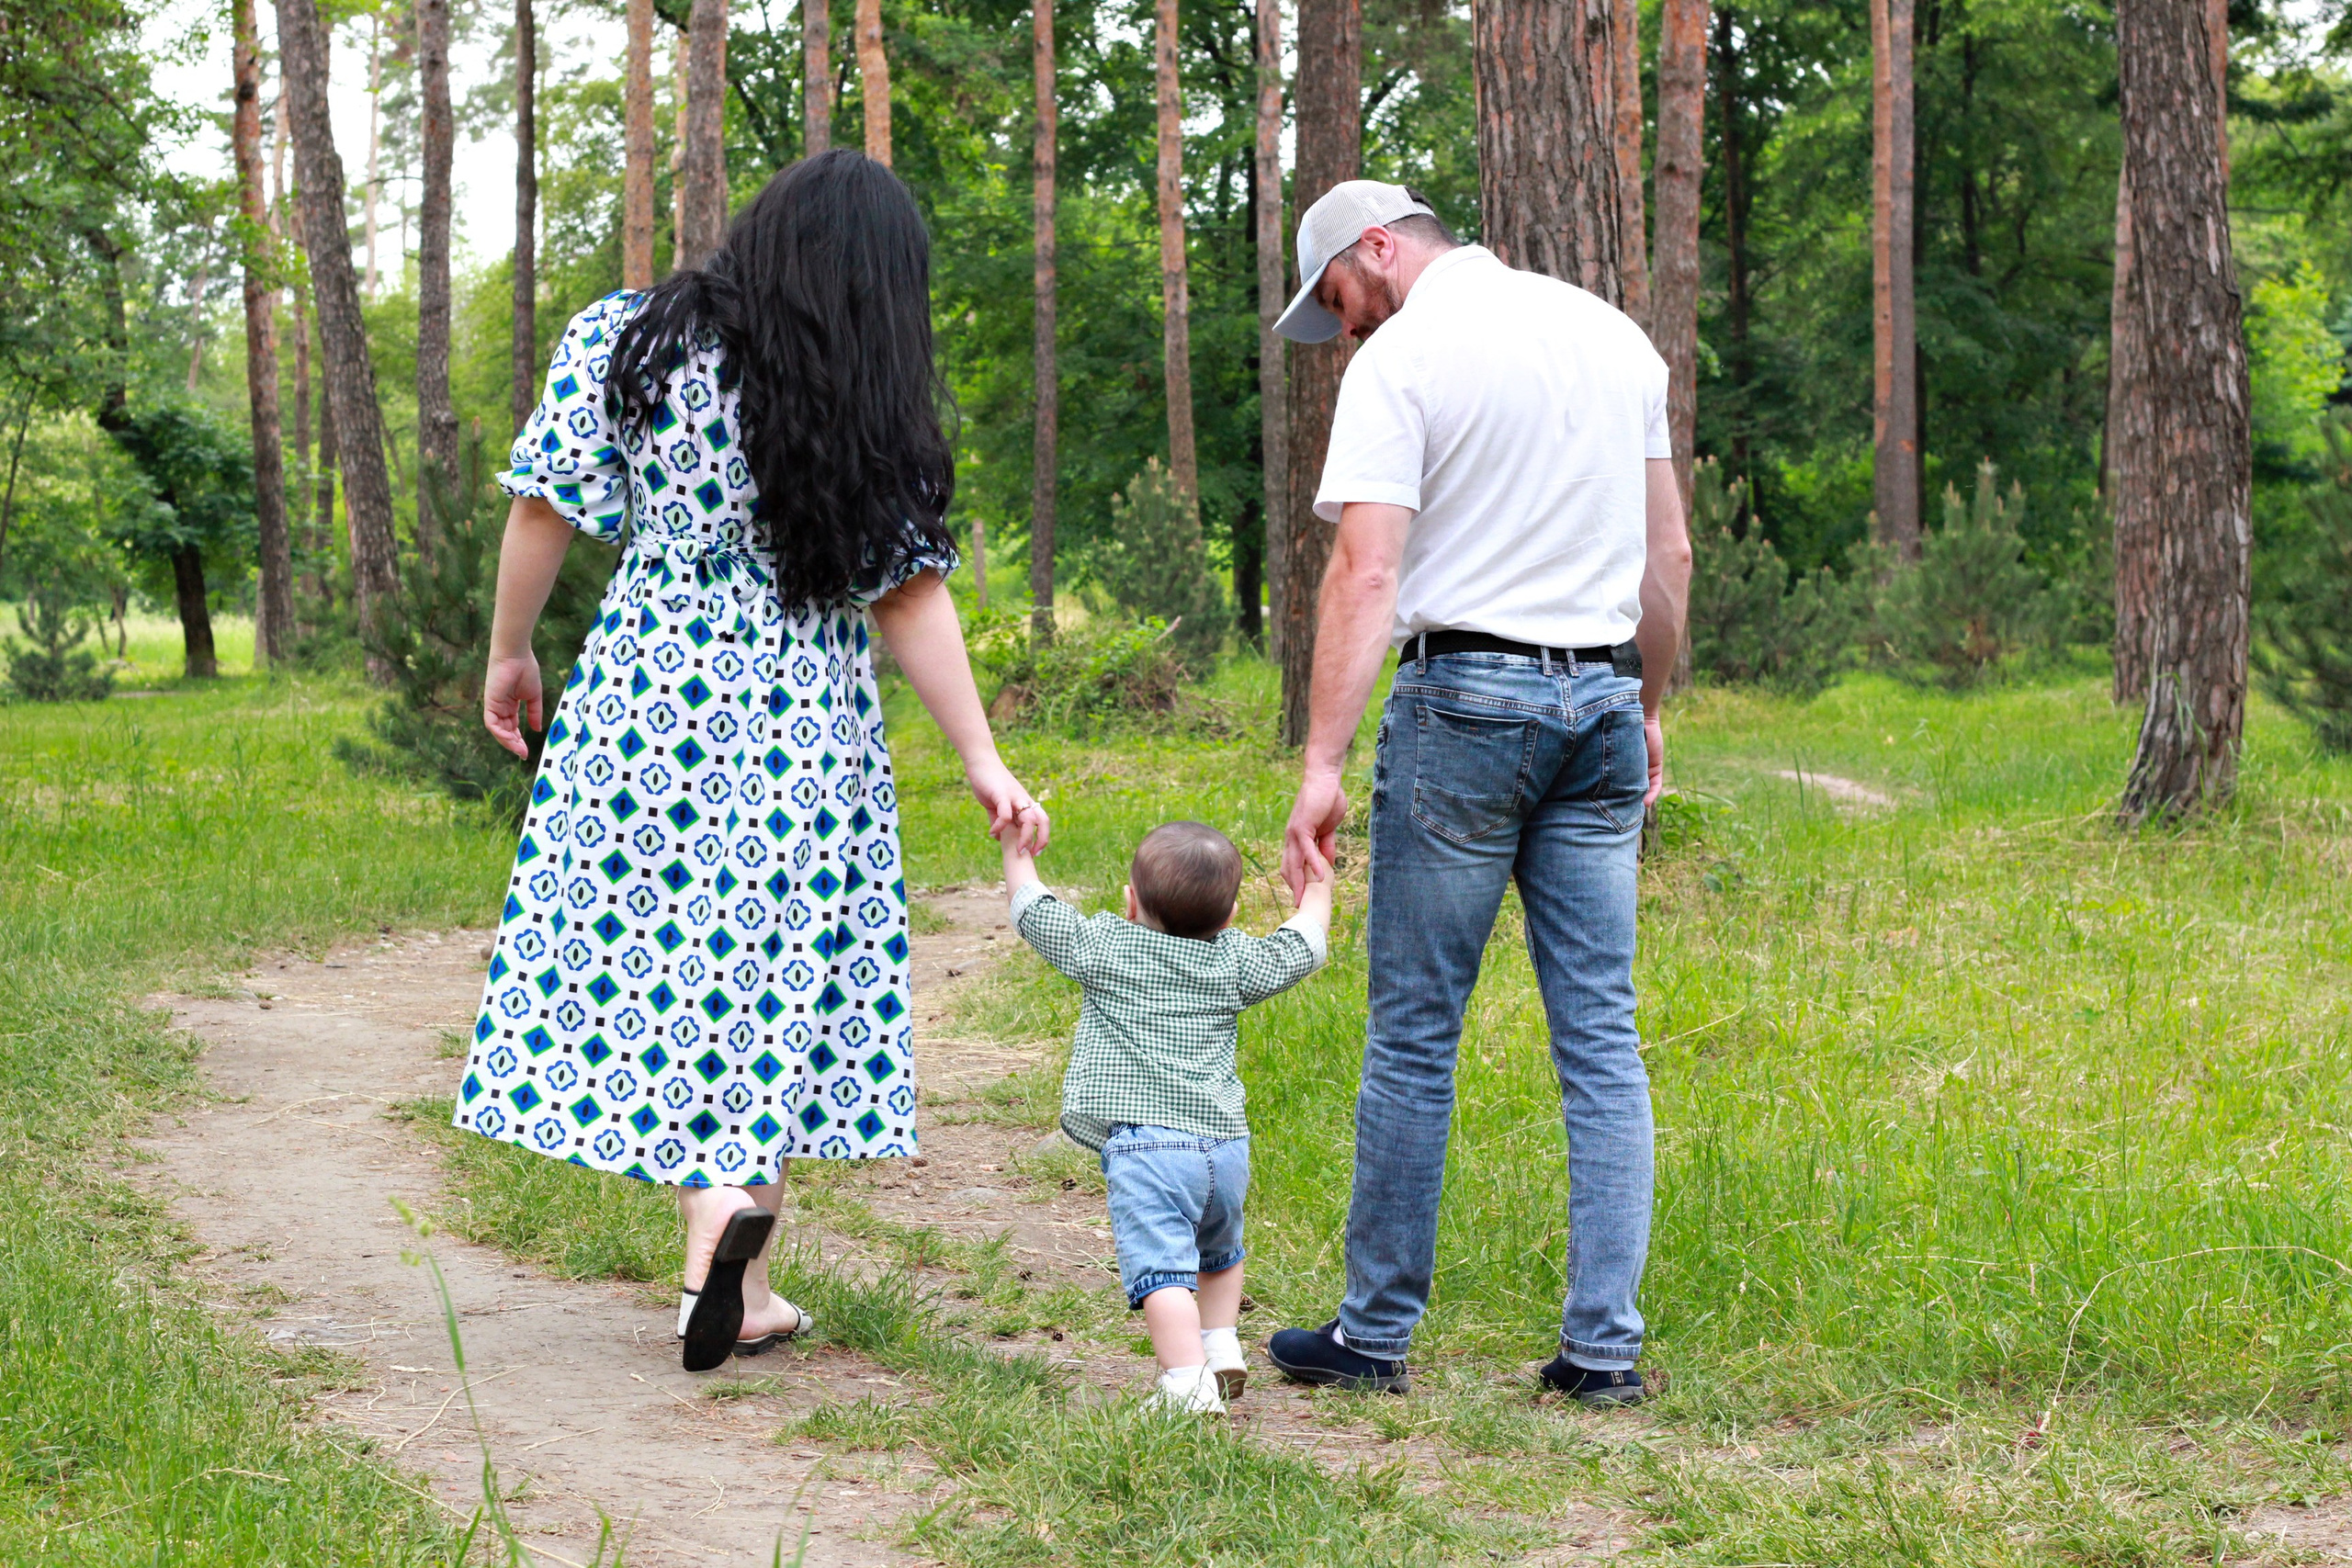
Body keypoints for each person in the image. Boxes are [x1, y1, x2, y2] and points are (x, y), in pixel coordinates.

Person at [452, 150, 1049, 1374]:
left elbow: (541, 507)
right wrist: (982, 756)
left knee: (664, 958)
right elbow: (908, 592)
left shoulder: (627, 338)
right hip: (798, 715)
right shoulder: (850, 383)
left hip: (642, 694)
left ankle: (723, 1254)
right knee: (764, 964)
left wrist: (512, 652)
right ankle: (734, 1241)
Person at [1260, 181, 1693, 1404]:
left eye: (1339, 298)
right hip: (1603, 705)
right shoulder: (1615, 338)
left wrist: (1322, 763)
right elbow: (1669, 555)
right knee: (1602, 1036)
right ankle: (1604, 1349)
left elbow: (1367, 567)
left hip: (1465, 707)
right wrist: (1648, 704)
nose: (1343, 329)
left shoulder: (1407, 361)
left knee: (1414, 1033)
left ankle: (1376, 1332)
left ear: (1381, 249)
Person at [999, 820, 1333, 1415]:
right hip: (1226, 1147)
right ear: (1230, 915)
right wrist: (1318, 886)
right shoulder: (1233, 962)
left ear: (1130, 901)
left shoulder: (1105, 946)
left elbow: (1036, 913)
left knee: (1164, 1274)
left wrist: (1016, 852)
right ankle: (1221, 1343)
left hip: (1148, 1149)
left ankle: (1185, 1383)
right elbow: (1300, 945)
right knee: (1220, 1252)